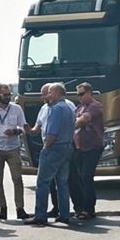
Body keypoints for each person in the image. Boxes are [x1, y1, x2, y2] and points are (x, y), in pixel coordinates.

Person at [27, 82, 76, 226]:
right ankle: (64, 214)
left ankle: (40, 215)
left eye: (50, 92)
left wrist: (46, 147)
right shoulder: (68, 108)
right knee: (62, 183)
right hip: (67, 147)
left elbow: (52, 132)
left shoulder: (56, 109)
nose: (47, 95)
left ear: (58, 94)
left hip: (54, 148)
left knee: (42, 182)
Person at [0, 85, 29, 222]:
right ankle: (2, 207)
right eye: (5, 95)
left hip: (12, 147)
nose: (8, 97)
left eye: (9, 94)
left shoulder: (16, 109)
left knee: (17, 178)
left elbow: (24, 127)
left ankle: (20, 208)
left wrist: (16, 131)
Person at [70, 83, 105, 221]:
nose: (80, 97)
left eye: (82, 93)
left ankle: (89, 209)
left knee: (86, 176)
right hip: (79, 147)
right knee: (79, 178)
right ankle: (82, 207)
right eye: (78, 94)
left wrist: (68, 125)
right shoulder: (79, 107)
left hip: (92, 147)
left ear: (90, 93)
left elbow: (83, 120)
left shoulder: (95, 106)